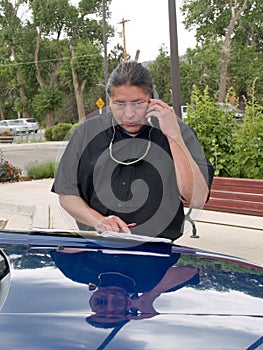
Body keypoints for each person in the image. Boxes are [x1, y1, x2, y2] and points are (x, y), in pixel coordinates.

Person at [52, 60, 214, 240]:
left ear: (152, 98)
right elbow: (67, 194)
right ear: (110, 101)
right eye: (120, 104)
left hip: (158, 250)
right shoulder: (86, 133)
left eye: (138, 103)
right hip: (96, 244)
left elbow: (197, 199)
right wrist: (100, 221)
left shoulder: (179, 131)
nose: (129, 114)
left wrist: (173, 135)